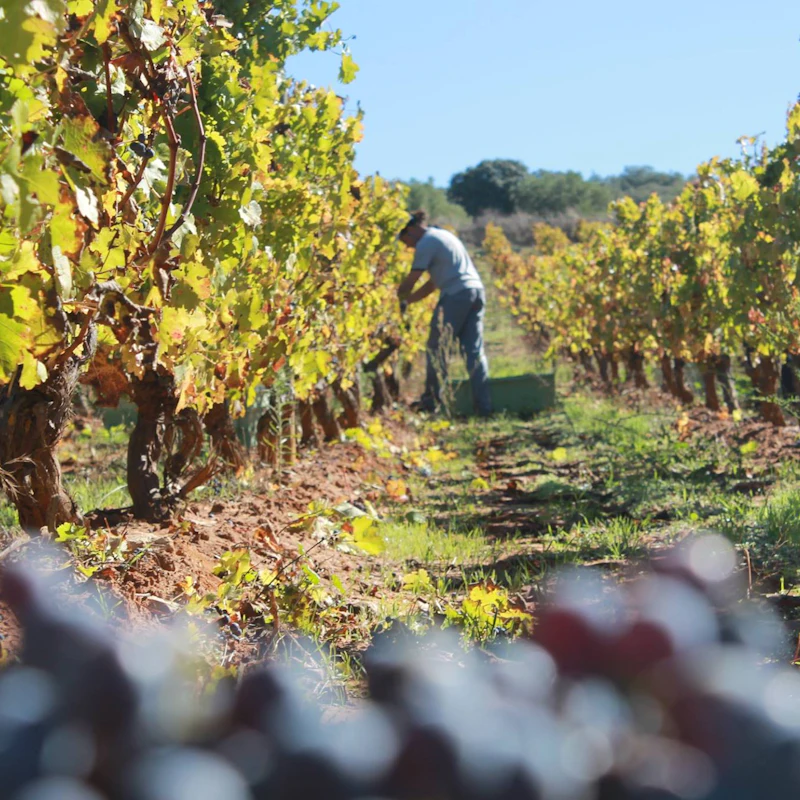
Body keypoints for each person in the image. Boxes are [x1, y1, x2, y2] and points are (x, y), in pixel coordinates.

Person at [397, 210, 492, 416]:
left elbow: (413, 278)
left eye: (405, 240)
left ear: (411, 230)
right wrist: (408, 301)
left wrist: (397, 296)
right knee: (474, 352)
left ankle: (432, 402)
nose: (407, 246)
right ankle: (483, 407)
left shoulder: (426, 242)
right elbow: (432, 284)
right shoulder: (444, 236)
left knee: (436, 348)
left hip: (456, 295)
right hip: (475, 291)